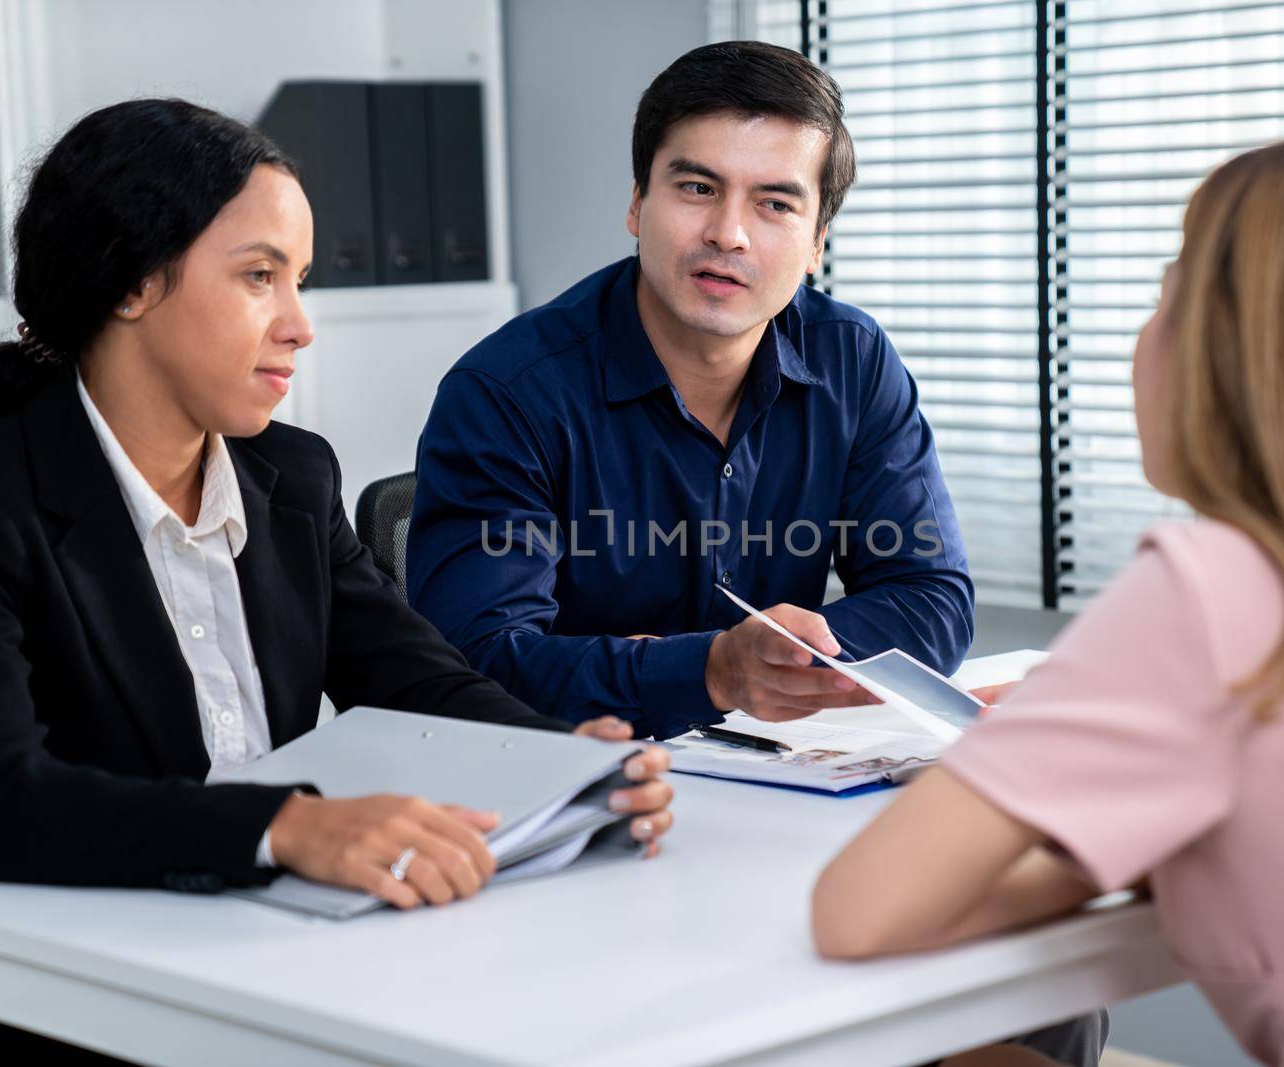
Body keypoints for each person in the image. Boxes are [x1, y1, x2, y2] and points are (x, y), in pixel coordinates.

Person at [812, 133, 1284, 1066]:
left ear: (1233, 348)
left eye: (1164, 295)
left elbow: (857, 911)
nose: (1143, 339)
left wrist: (1119, 852)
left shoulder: (1218, 588)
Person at [0, 98, 672, 914]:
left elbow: (417, 680)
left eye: (298, 281)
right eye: (258, 276)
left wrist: (561, 759)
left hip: (281, 929)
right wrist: (283, 827)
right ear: (130, 278)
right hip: (88, 948)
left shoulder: (293, 480)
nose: (300, 325)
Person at [407, 41, 976, 742]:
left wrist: (771, 661)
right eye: (698, 188)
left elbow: (933, 600)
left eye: (774, 203)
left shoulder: (852, 361)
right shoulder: (506, 394)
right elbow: (475, 664)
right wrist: (710, 671)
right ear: (638, 202)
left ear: (818, 239)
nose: (728, 234)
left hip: (771, 774)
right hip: (573, 788)